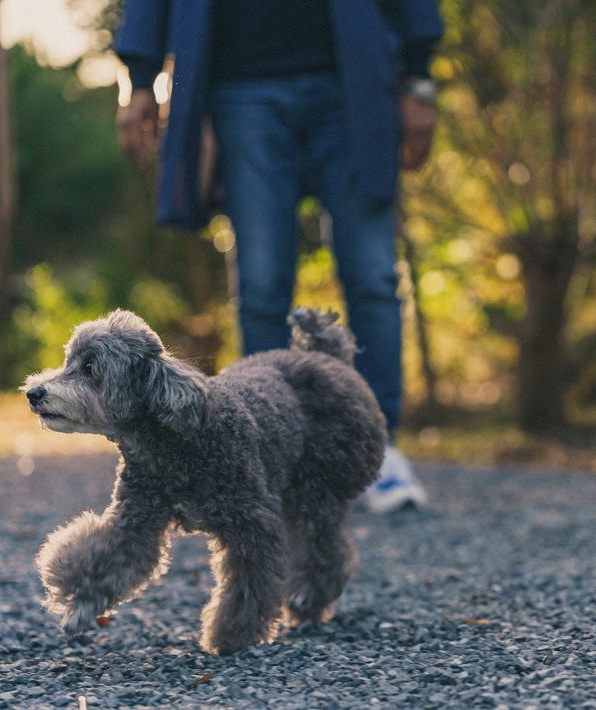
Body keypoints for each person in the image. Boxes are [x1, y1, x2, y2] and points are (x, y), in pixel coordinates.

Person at [113, 0, 443, 512]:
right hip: (241, 88)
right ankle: (264, 453)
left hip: (353, 80)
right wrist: (138, 80)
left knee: (373, 277)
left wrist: (419, 78)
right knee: (263, 285)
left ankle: (377, 453)